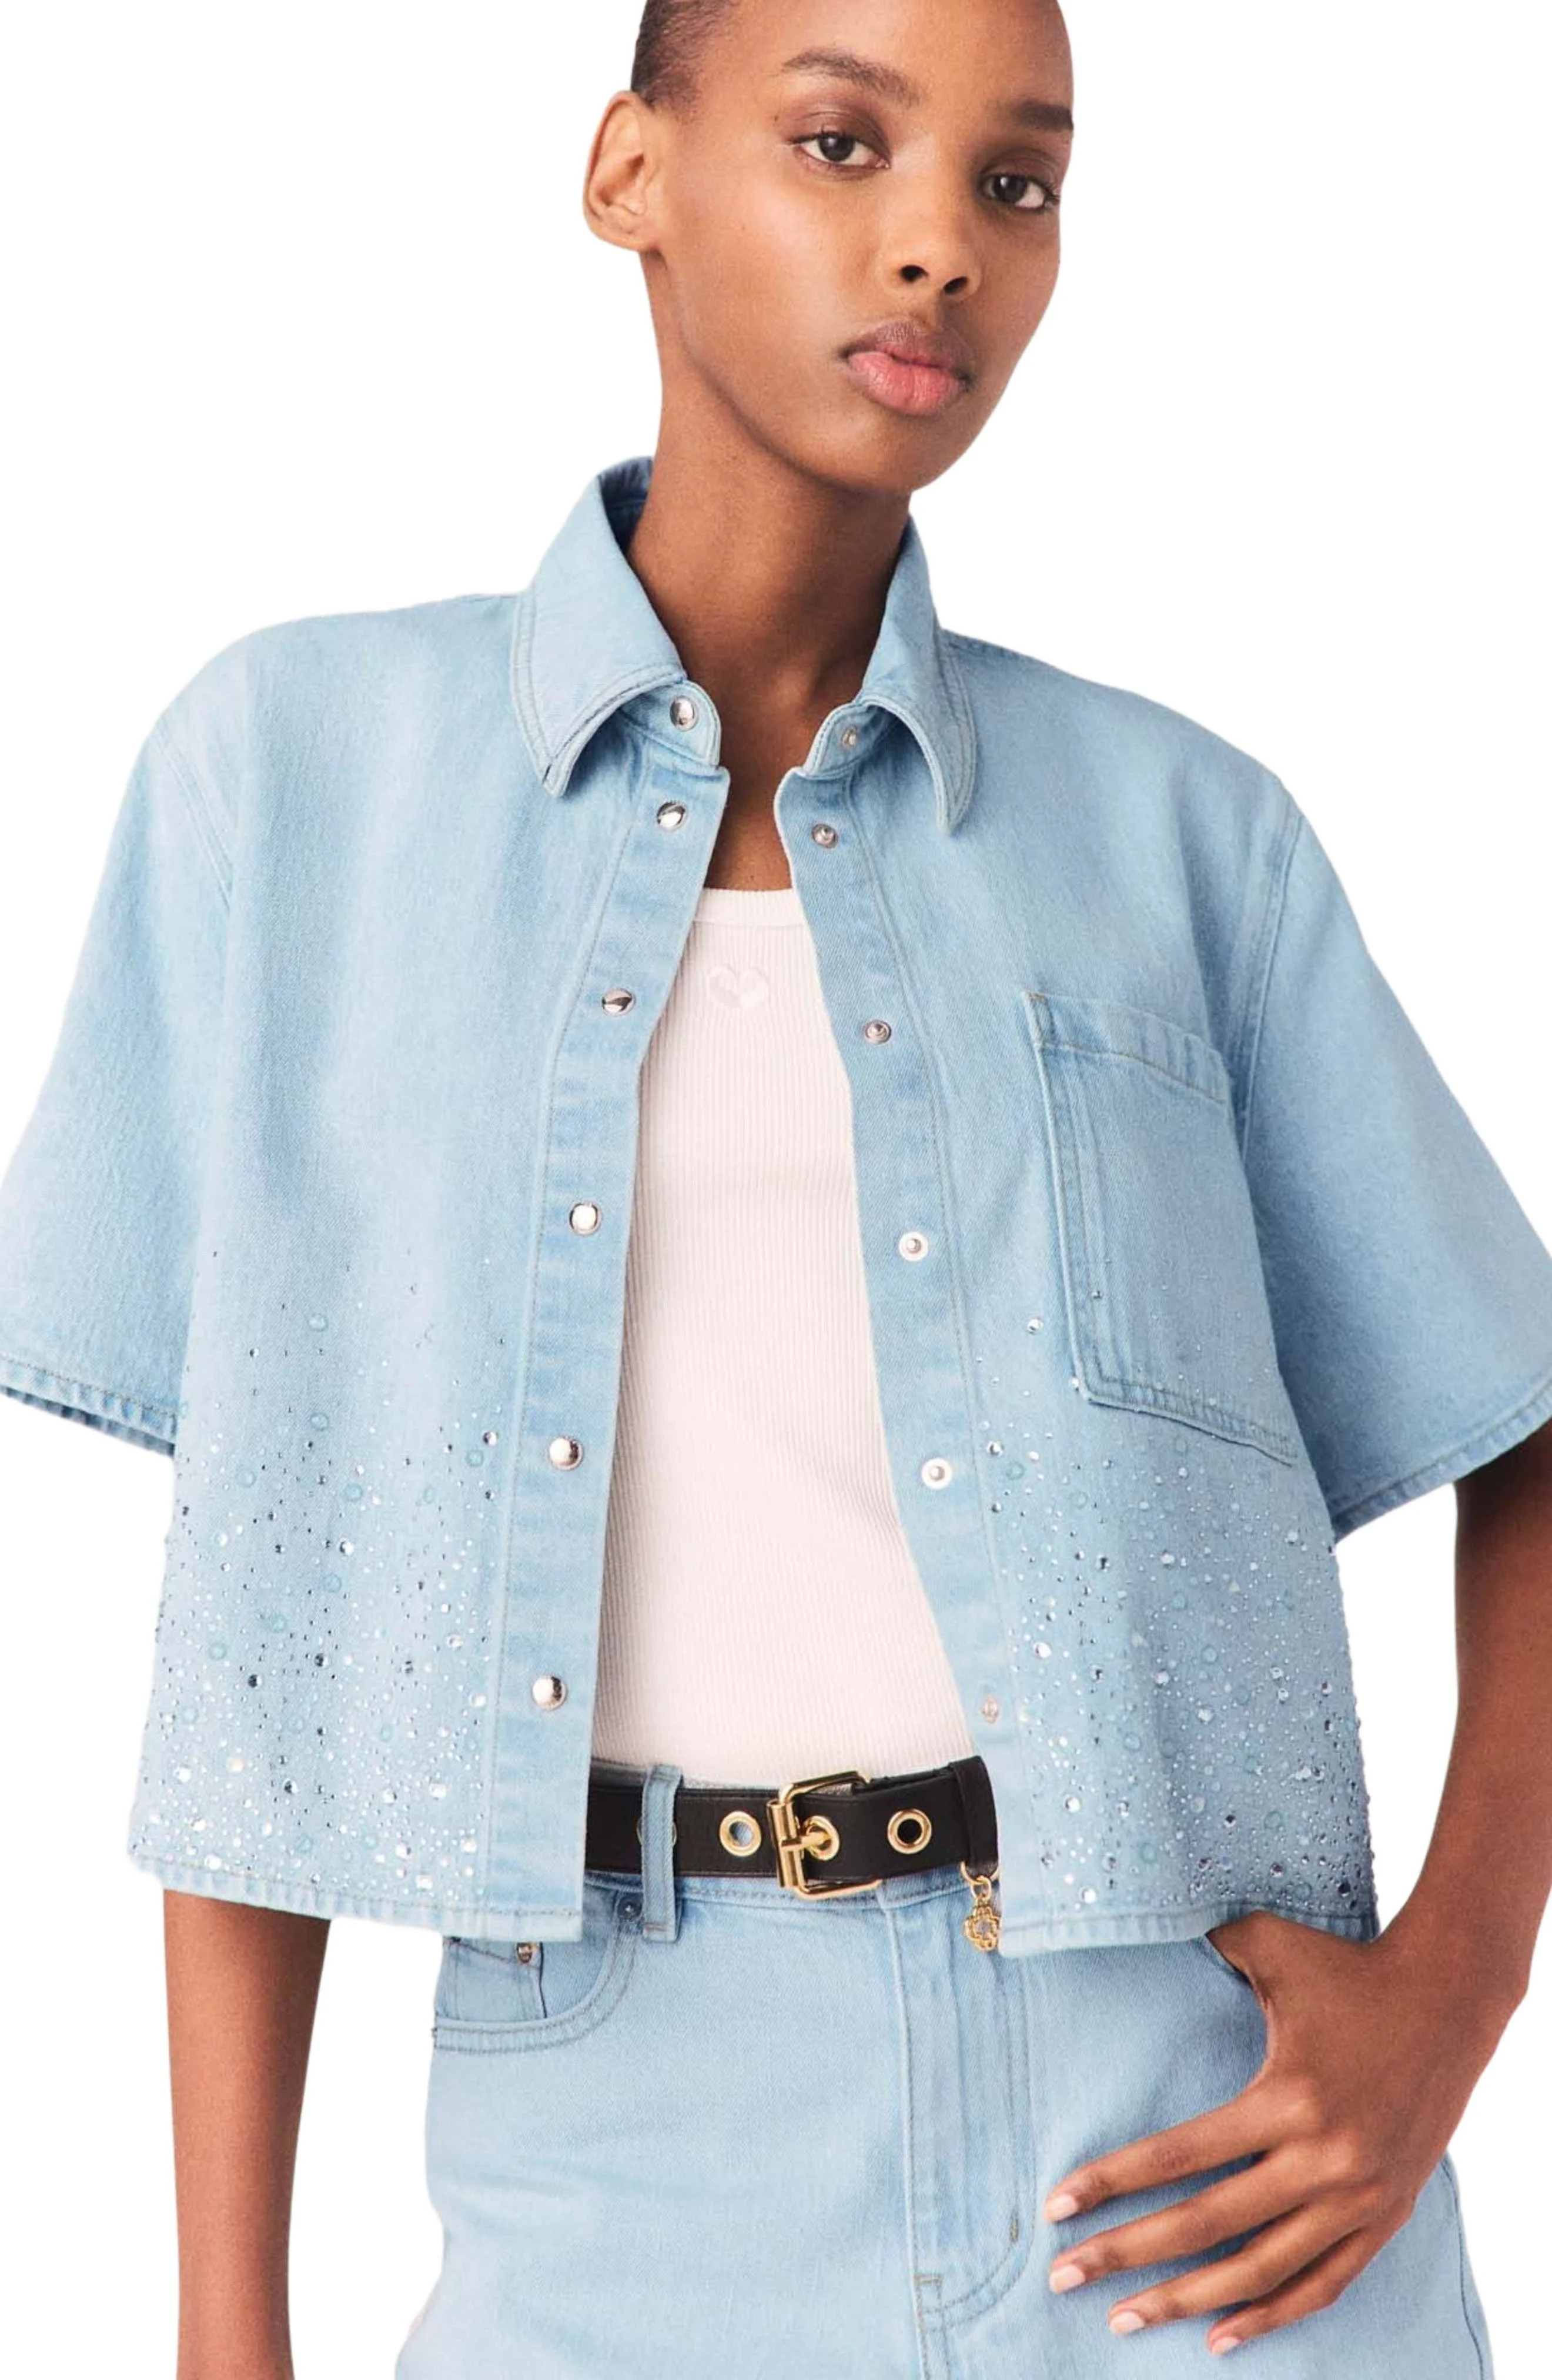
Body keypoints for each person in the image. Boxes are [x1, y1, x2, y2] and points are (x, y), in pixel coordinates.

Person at [1, 1, 1549, 2373]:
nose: (941, 246)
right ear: (627, 169)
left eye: (1017, 184)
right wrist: (230, 2328)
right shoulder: (295, 780)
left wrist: (1450, 1995)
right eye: (843, 143)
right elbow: (264, 1622)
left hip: (1194, 2153)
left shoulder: (1182, 835)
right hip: (616, 2146)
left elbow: (1514, 1411)